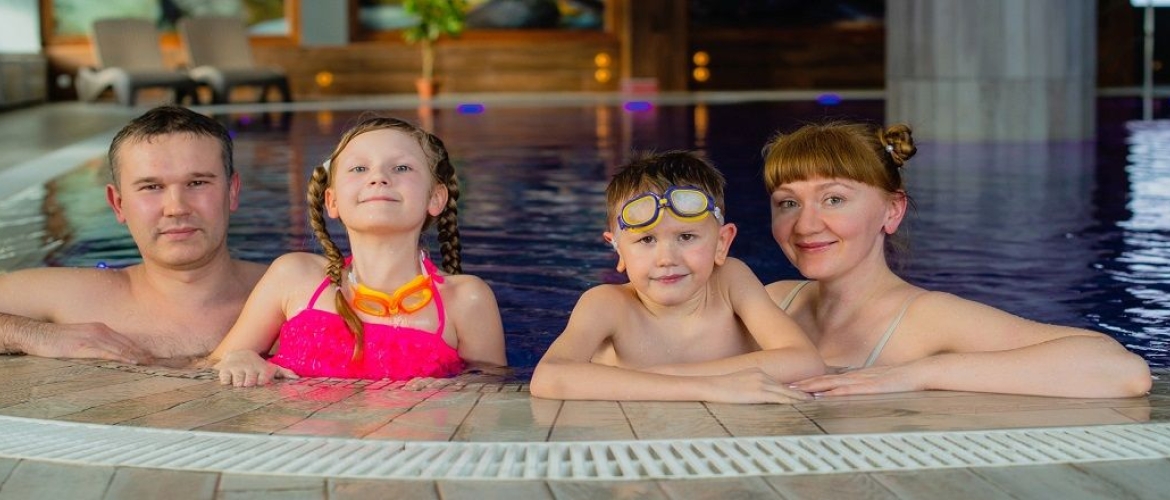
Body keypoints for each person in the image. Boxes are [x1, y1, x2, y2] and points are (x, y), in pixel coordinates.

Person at [762, 121, 1152, 398]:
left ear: (892, 211)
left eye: (834, 199)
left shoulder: (927, 318)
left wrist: (917, 374)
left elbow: (1123, 371)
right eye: (788, 203)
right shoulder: (776, 301)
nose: (806, 225)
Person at [208, 116, 507, 387]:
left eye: (401, 168)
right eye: (359, 168)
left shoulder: (466, 300)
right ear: (332, 201)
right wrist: (239, 358)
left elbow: (492, 395)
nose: (378, 178)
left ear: (436, 198)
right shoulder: (294, 277)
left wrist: (456, 390)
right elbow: (207, 369)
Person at [530, 151, 824, 403]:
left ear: (721, 243)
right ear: (618, 249)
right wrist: (708, 387)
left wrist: (659, 377)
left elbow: (805, 361)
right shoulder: (607, 305)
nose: (667, 259)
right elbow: (548, 377)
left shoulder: (730, 281)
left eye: (686, 236)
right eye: (646, 240)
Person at [0, 105, 267, 364]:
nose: (176, 208)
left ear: (232, 191)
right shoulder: (79, 298)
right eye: (152, 187)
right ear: (118, 204)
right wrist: (38, 335)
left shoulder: (280, 291)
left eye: (197, 183)